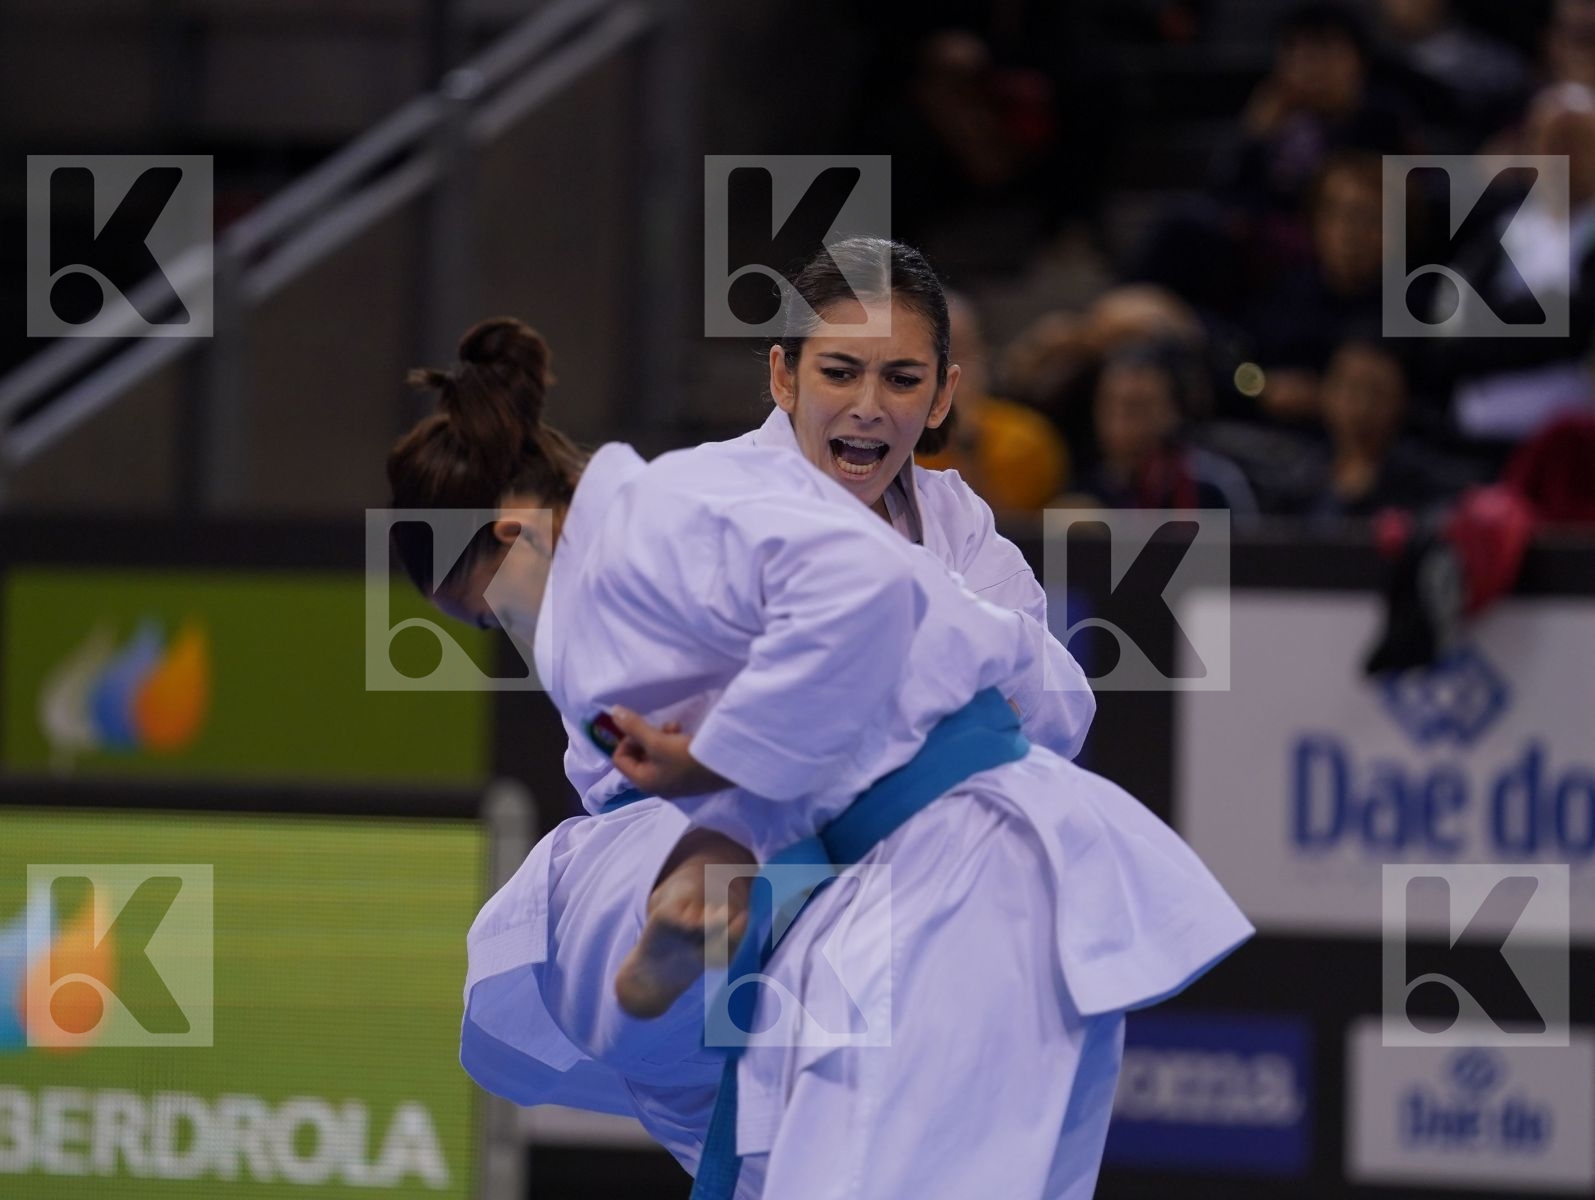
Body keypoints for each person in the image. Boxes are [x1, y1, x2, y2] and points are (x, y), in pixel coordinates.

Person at [388, 308, 1253, 1199]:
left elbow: (877, 598)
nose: (512, 631)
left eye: (489, 612)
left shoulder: (662, 518)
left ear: (509, 531)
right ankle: (700, 897)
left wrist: (717, 767)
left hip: (956, 869)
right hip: (893, 873)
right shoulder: (645, 563)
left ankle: (696, 899)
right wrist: (717, 812)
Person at [914, 290, 1070, 514]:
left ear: (983, 353)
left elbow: (1023, 535)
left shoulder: (1027, 438)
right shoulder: (890, 438)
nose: (947, 368)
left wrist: (967, 443)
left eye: (958, 350)